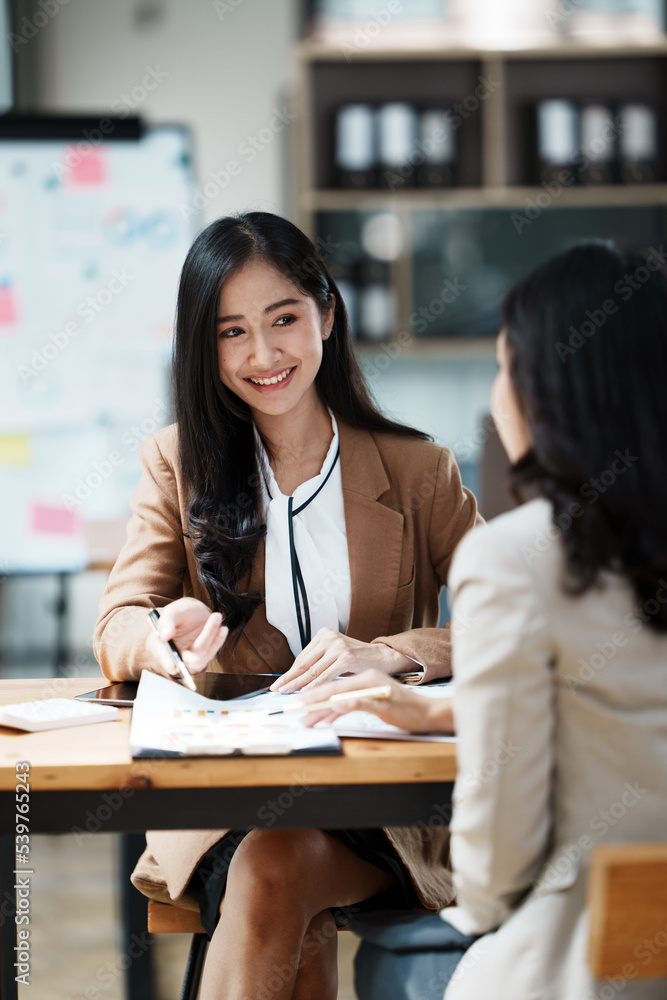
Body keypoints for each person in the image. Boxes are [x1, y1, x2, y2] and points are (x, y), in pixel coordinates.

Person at [93, 211, 481, 1000]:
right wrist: (163, 640)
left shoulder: (417, 470)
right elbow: (117, 624)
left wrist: (393, 654)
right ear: (205, 347)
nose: (263, 355)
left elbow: (511, 623)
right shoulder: (178, 463)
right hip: (229, 793)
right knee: (275, 875)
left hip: (384, 803)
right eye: (232, 331)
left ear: (327, 317)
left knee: (273, 875)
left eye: (283, 320)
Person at [300, 242, 667, 1000]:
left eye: (505, 368)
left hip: (586, 969)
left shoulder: (517, 559)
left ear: (547, 389)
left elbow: (494, 868)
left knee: (412, 954)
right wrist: (442, 707)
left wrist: (475, 903)